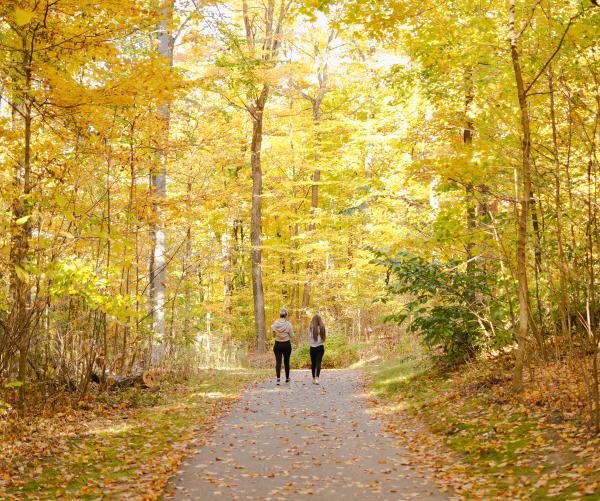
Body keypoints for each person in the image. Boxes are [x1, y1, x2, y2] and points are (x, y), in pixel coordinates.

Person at [271, 308, 293, 385]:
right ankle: (287, 378)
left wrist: (278, 335)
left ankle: (278, 379)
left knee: (278, 361)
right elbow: (292, 336)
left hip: (277, 344)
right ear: (286, 315)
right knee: (286, 361)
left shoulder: (275, 323)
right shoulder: (288, 324)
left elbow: (273, 335)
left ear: (280, 315)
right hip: (286, 344)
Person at [308, 314, 326, 384]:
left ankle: (313, 378)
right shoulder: (322, 327)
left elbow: (309, 337)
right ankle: (317, 378)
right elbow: (324, 338)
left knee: (313, 363)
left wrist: (312, 342)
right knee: (318, 362)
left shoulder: (310, 327)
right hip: (320, 347)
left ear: (313, 320)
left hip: (312, 347)